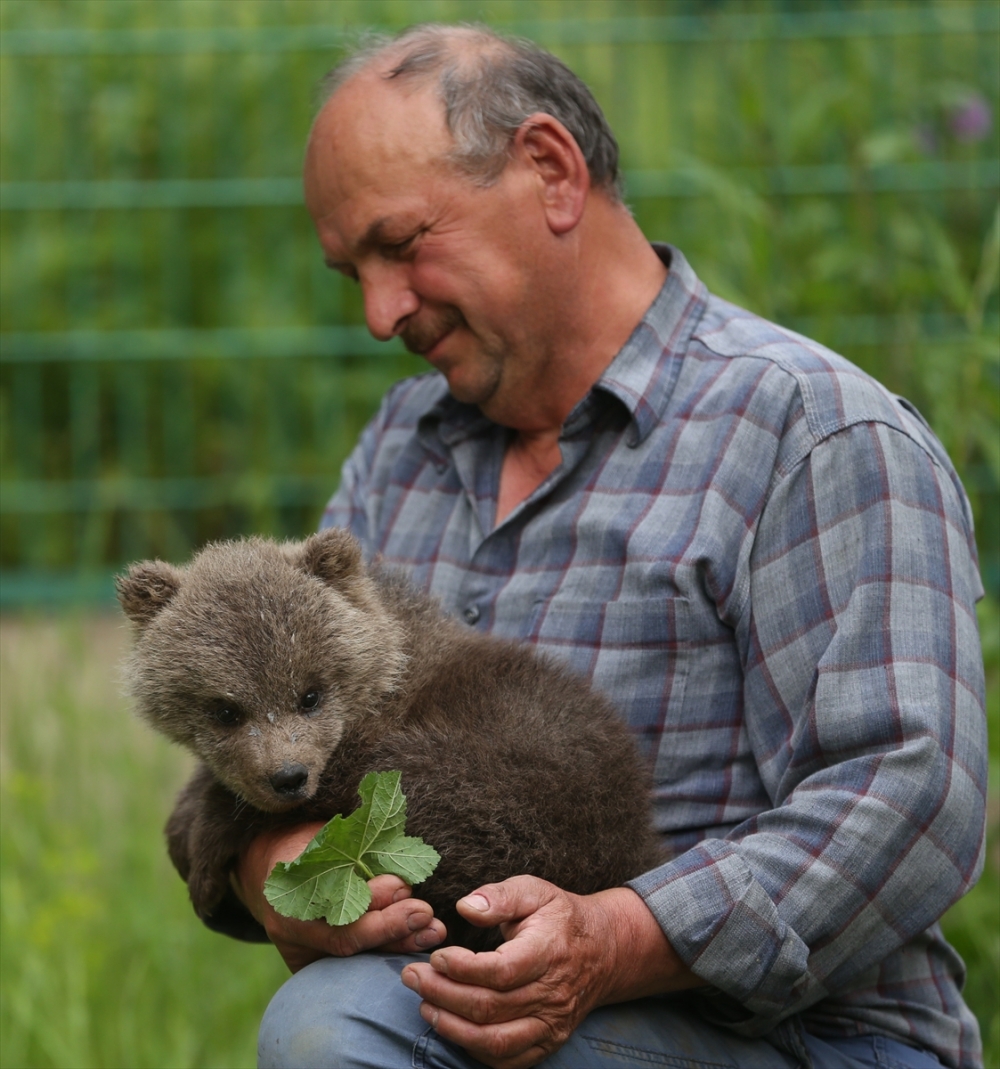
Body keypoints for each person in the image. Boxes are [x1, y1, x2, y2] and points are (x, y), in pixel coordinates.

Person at [188, 24, 987, 1069]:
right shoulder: (401, 449)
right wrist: (273, 871)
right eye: (353, 275)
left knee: (333, 1025)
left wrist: (615, 938)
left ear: (550, 172)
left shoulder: (812, 430)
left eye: (402, 243)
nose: (380, 312)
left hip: (805, 1037)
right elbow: (285, 739)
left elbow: (909, 796)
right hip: (488, 1001)